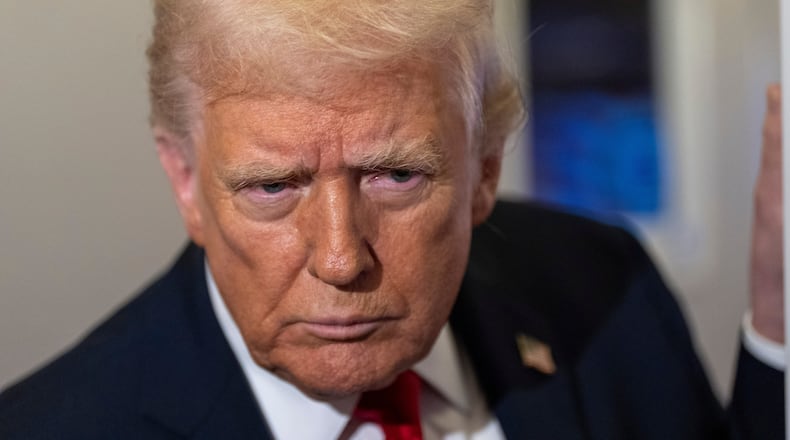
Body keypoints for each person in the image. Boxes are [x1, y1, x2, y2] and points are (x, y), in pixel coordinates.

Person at [0, 1, 784, 438]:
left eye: (397, 175)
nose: (341, 260)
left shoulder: (602, 285)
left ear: (483, 170)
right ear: (184, 180)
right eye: (274, 186)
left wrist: (779, 316)